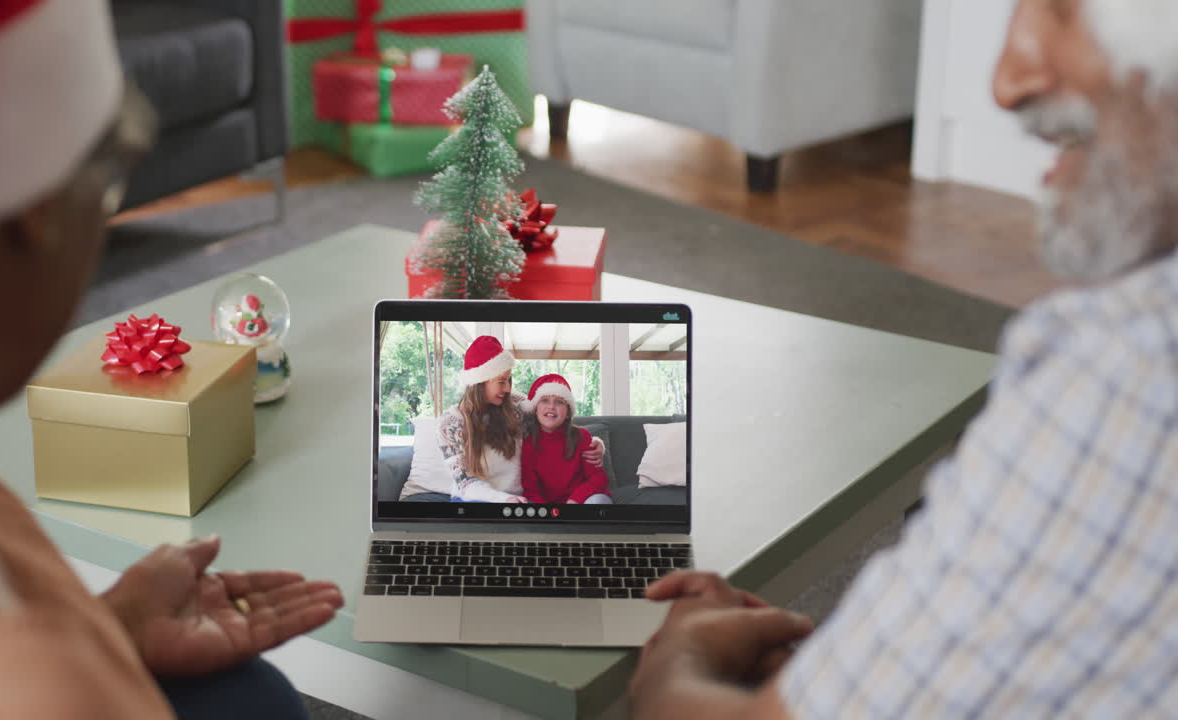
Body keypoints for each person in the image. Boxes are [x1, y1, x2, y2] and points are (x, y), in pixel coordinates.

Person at [630, 0, 1178, 717]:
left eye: (1066, 7)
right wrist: (860, 658)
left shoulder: (1128, 372)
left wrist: (677, 661)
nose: (1006, 81)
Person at [0, 2, 342, 718]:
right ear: (34, 214)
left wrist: (112, 628)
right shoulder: (1, 687)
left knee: (251, 695)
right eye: (110, 178)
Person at [436, 336, 605, 502]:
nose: (508, 388)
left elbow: (554, 425)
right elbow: (465, 483)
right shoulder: (451, 424)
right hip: (474, 499)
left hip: (519, 499)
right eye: (501, 382)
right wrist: (503, 499)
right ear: (480, 382)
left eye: (509, 380)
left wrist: (594, 443)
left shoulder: (517, 406)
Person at [519, 374, 612, 505]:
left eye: (559, 402)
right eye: (545, 400)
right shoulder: (528, 444)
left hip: (581, 501)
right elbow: (531, 490)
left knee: (598, 501)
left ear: (568, 412)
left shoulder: (581, 436)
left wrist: (574, 500)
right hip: (546, 507)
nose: (551, 406)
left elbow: (599, 478)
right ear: (535, 409)